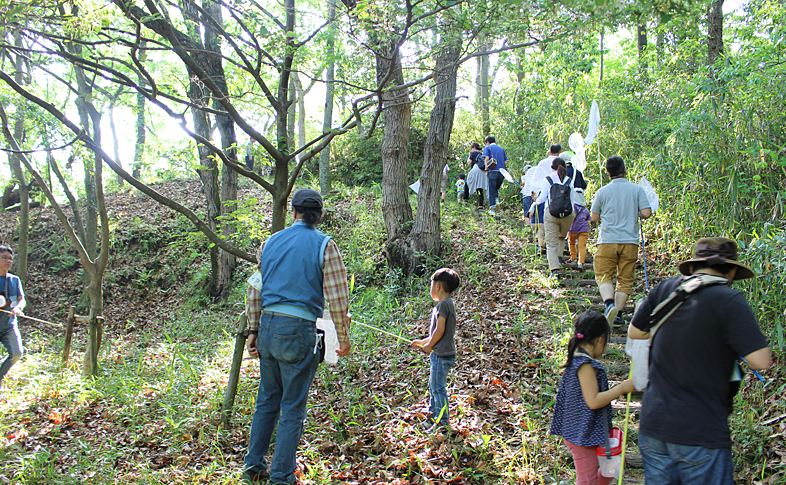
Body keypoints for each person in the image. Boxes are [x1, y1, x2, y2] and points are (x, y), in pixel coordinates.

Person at [628, 238, 771, 484]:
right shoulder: (729, 300)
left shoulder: (665, 289)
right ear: (733, 272)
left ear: (693, 268)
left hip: (654, 424)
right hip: (700, 429)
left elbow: (635, 331)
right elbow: (760, 361)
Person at [243, 189, 352, 485]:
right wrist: (342, 337)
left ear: (293, 212)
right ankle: (281, 476)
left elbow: (255, 290)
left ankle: (253, 467)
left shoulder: (269, 244)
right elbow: (337, 297)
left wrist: (253, 330)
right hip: (300, 332)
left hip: (268, 327)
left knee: (266, 400)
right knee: (292, 406)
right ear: (320, 215)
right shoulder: (325, 245)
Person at [551, 311, 635, 485]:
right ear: (600, 339)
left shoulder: (581, 361)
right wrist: (621, 388)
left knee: (614, 463)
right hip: (582, 434)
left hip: (589, 430)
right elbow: (593, 401)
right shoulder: (584, 365)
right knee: (587, 480)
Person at [590, 156, 651, 326]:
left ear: (608, 173)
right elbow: (646, 213)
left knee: (604, 275)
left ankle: (609, 305)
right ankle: (618, 315)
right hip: (630, 241)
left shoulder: (602, 191)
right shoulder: (637, 189)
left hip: (607, 239)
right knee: (625, 279)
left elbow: (594, 217)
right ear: (625, 170)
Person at [411, 268, 460, 430]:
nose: (430, 289)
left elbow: (439, 331)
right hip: (440, 353)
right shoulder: (447, 304)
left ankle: (442, 421)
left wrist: (429, 346)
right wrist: (422, 341)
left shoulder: (443, 306)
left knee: (438, 388)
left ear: (437, 286)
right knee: (434, 386)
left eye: (431, 285)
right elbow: (437, 333)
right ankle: (434, 416)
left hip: (441, 355)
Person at [530, 157, 576, 277]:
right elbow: (573, 200)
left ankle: (554, 270)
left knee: (551, 243)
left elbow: (542, 198)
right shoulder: (569, 180)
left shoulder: (548, 180)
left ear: (552, 168)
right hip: (567, 214)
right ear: (564, 167)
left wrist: (535, 199)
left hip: (551, 213)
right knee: (561, 237)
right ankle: (559, 257)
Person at [0, 246, 25, 389]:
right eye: (4, 257)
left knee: (16, 353)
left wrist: (18, 307)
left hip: (9, 325)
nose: (8, 260)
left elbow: (22, 300)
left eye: (10, 258)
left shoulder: (14, 280)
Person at [482, 136, 508, 215]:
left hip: (492, 171)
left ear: (488, 142)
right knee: (496, 190)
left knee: (491, 190)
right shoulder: (501, 149)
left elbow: (486, 159)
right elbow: (505, 162)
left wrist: (486, 169)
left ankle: (492, 209)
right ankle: (497, 206)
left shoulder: (488, 148)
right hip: (501, 172)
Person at [567, 188, 591, 270]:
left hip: (574, 229)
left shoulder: (574, 206)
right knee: (582, 246)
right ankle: (581, 262)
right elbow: (589, 220)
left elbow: (573, 216)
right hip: (584, 230)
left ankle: (573, 258)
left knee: (572, 243)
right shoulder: (585, 209)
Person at [466, 142, 487, 209]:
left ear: (474, 148)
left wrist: (470, 155)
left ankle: (465, 201)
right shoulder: (482, 154)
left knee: (467, 183)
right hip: (483, 171)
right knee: (479, 188)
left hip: (476, 169)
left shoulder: (474, 153)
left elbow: (469, 163)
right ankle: (480, 205)